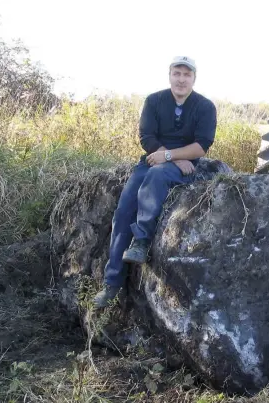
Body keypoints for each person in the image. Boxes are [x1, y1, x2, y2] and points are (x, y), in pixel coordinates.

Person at [93, 56, 217, 308]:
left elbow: (201, 146)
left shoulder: (205, 107)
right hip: (152, 159)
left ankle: (141, 240)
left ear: (194, 78)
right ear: (169, 75)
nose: (181, 79)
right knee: (123, 211)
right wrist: (162, 155)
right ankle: (112, 283)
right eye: (177, 73)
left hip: (184, 165)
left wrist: (173, 157)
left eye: (186, 74)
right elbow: (146, 135)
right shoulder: (154, 101)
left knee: (158, 175)